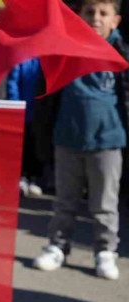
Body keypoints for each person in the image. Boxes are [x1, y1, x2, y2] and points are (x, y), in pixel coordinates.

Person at [32, 0, 126, 280]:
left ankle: (105, 251)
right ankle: (57, 246)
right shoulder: (65, 50)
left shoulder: (122, 54)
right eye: (89, 12)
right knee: (65, 201)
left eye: (103, 13)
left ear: (115, 21)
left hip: (108, 143)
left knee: (104, 205)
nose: (95, 18)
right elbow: (46, 96)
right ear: (78, 16)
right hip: (67, 139)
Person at [6, 58, 45, 197]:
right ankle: (21, 177)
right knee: (22, 145)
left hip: (41, 113)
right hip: (24, 110)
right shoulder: (23, 58)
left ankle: (35, 178)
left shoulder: (46, 58)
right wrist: (15, 108)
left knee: (38, 145)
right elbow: (13, 83)